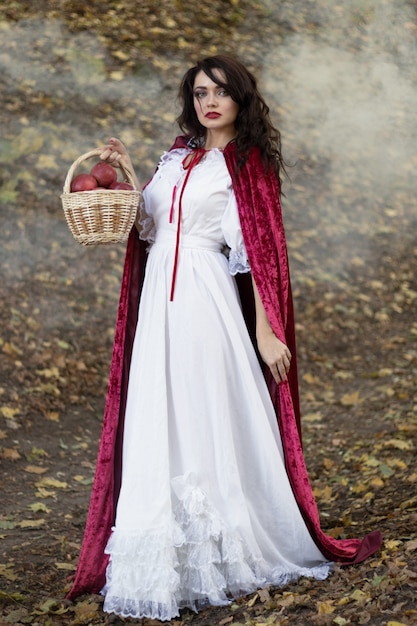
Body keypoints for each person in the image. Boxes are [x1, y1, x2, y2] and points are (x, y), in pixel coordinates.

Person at [67, 55, 381, 621]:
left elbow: (256, 256)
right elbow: (152, 228)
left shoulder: (247, 164)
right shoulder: (177, 156)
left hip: (206, 301)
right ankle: (169, 552)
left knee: (203, 408)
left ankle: (227, 548)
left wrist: (266, 332)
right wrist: (127, 173)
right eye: (199, 93)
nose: (209, 102)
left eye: (220, 92)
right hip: (159, 307)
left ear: (240, 99)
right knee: (159, 414)